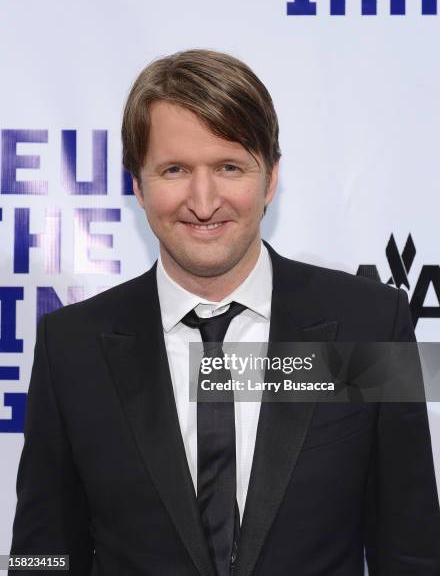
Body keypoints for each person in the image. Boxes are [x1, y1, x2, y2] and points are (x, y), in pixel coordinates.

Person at [9, 49, 440, 576]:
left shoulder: (369, 323)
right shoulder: (72, 347)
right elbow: (42, 555)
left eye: (229, 166)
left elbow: (412, 551)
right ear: (138, 186)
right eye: (174, 170)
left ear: (271, 179)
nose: (204, 200)